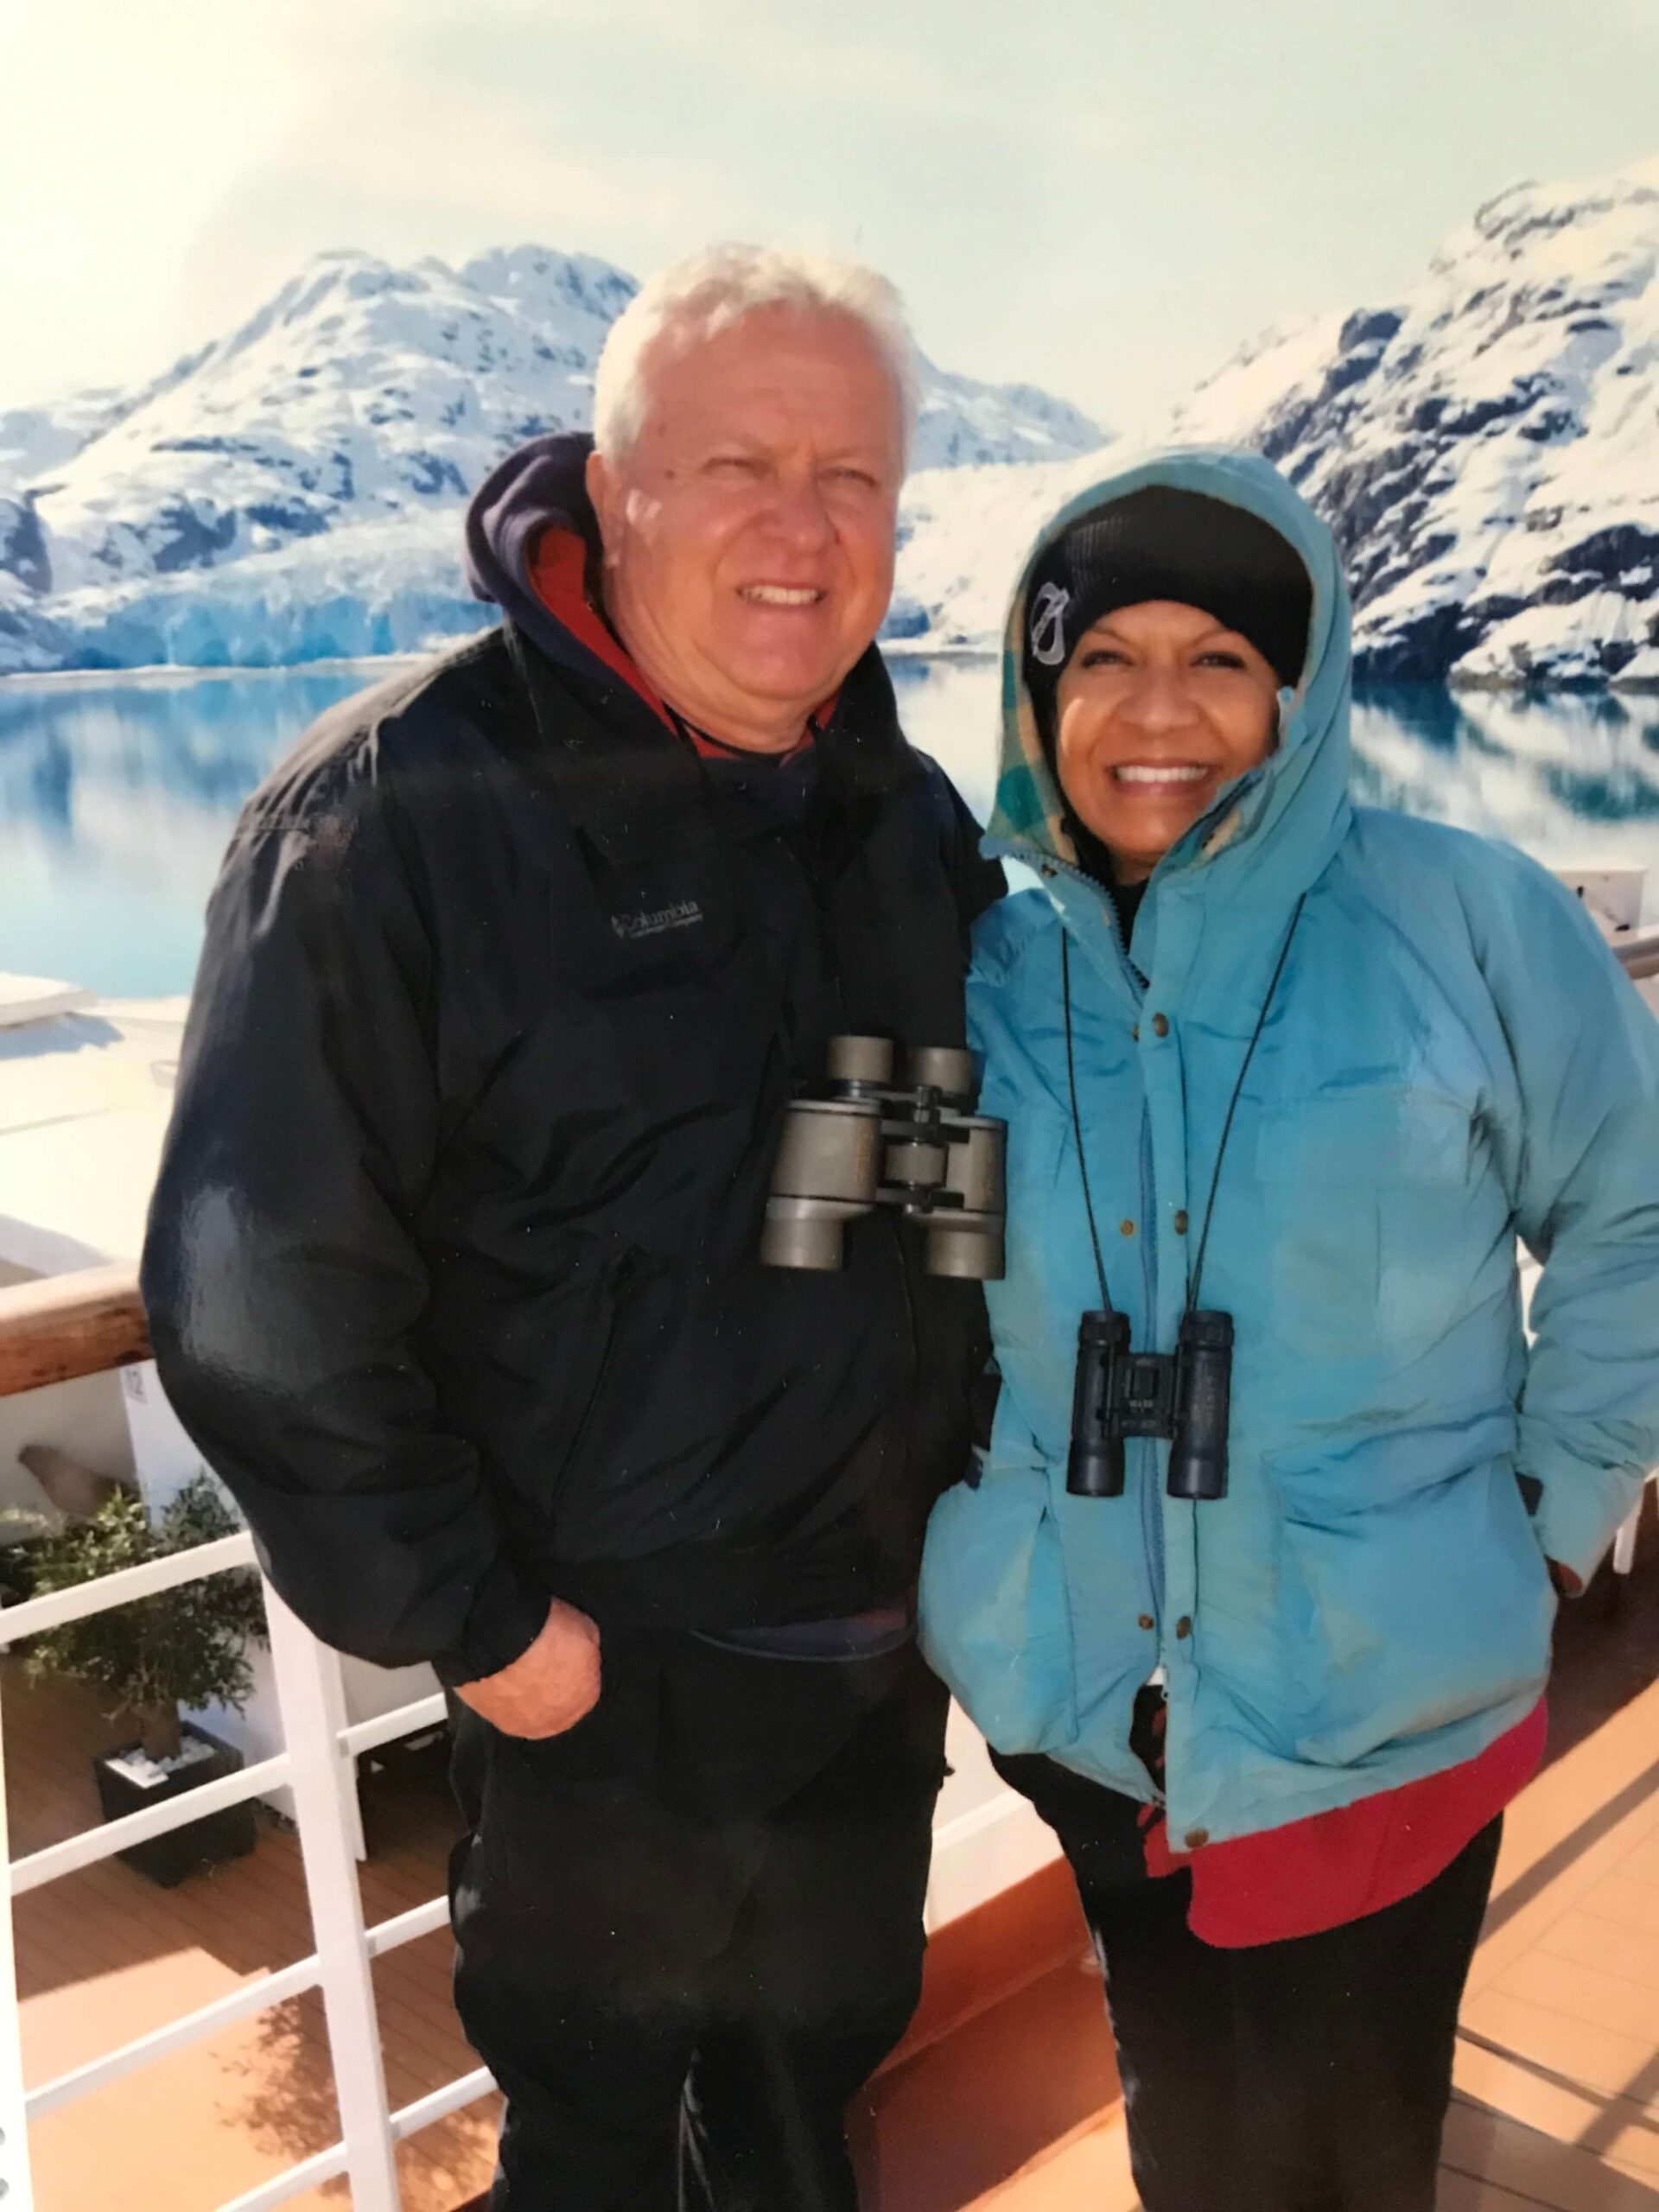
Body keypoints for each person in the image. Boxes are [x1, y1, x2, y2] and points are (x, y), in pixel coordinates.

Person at [141, 245, 1003, 2212]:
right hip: (602, 1674)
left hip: (867, 1661)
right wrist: (483, 1623)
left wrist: (964, 1504)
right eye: (737, 467)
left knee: (807, 2121)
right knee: (595, 2155)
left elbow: (935, 1177)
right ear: (616, 492)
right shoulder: (397, 815)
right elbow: (260, 1291)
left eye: (853, 477)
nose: (803, 528)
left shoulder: (901, 814)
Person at [918, 448, 1659, 2212]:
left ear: (1301, 688)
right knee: (1192, 2133)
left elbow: (1635, 1213)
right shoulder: (988, 971)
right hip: (1088, 1703)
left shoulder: (1466, 919)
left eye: (1220, 660)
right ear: (1040, 694)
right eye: (1102, 659)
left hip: (1379, 1694)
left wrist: (1548, 1527)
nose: (1155, 710)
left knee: (1346, 2151)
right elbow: (913, 1280)